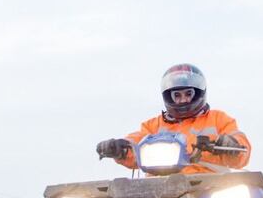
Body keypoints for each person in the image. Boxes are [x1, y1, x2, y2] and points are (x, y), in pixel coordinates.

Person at [96, 63, 251, 174]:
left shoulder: (218, 119)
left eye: (188, 94)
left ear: (198, 93)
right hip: (158, 188)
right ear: (168, 96)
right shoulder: (153, 126)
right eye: (177, 95)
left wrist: (232, 145)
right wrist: (119, 148)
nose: (183, 100)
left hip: (208, 187)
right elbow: (134, 142)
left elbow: (242, 148)